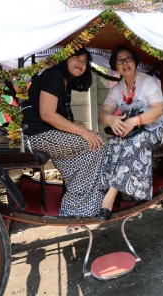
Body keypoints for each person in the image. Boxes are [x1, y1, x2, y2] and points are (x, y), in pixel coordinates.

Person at [22, 48, 106, 217]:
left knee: (95, 144)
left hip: (46, 134)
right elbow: (47, 115)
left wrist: (74, 124)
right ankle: (74, 208)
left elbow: (50, 114)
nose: (80, 64)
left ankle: (83, 205)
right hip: (36, 137)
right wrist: (82, 132)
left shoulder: (65, 83)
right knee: (96, 143)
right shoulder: (53, 76)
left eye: (84, 61)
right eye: (76, 58)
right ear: (65, 59)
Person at [98, 45, 163, 221]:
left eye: (128, 58)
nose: (125, 63)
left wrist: (133, 121)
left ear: (135, 62)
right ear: (116, 66)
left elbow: (159, 110)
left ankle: (109, 198)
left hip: (156, 128)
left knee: (132, 144)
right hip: (133, 130)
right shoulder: (117, 89)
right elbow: (103, 113)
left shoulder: (147, 82)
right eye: (120, 60)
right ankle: (121, 192)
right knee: (114, 142)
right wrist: (111, 119)